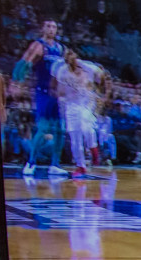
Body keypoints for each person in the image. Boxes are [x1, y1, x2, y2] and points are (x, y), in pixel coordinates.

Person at [15, 19, 67, 177]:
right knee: (43, 128)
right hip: (43, 92)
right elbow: (25, 62)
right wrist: (17, 82)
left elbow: (67, 70)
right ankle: (31, 162)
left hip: (57, 95)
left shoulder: (60, 48)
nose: (51, 29)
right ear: (43, 29)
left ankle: (55, 164)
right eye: (48, 26)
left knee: (60, 129)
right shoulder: (38, 45)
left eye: (54, 27)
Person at [53, 48, 110, 176]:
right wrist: (64, 97)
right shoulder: (62, 71)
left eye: (71, 54)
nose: (69, 57)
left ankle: (93, 148)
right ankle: (80, 165)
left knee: (86, 129)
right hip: (71, 106)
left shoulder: (86, 67)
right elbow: (60, 91)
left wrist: (100, 93)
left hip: (86, 103)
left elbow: (102, 75)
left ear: (76, 55)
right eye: (66, 55)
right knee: (75, 138)